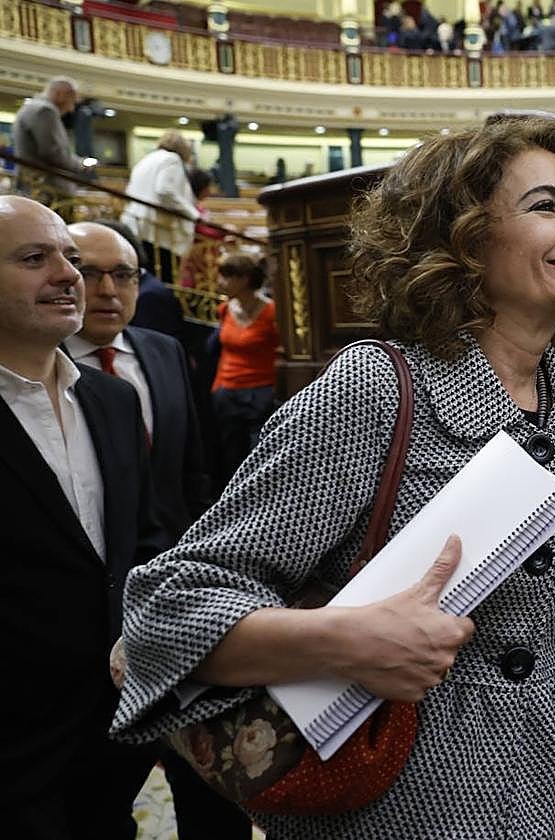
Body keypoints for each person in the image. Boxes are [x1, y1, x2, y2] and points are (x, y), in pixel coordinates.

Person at [110, 115, 555, 838]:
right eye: (547, 206)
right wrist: (347, 640)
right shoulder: (375, 390)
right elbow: (168, 607)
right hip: (383, 809)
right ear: (465, 239)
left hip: (546, 804)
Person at [63, 221, 252, 839]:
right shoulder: (40, 372)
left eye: (125, 274)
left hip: (186, 610)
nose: (109, 289)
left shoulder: (163, 350)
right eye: (90, 272)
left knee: (210, 792)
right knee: (100, 791)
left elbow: (198, 469)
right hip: (92, 629)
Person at [0, 195, 167, 839]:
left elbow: (142, 539)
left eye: (69, 257)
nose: (69, 275)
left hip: (112, 732)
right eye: (34, 258)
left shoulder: (113, 400)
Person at [209, 253, 279, 492]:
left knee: (257, 455)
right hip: (226, 390)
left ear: (244, 279)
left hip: (260, 391)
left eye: (227, 276)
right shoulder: (224, 310)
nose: (220, 282)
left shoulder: (271, 312)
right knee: (230, 457)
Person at [120, 129, 201, 285]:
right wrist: (193, 214)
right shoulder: (172, 159)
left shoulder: (146, 159)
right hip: (154, 227)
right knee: (162, 277)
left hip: (136, 222)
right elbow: (165, 190)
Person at [12, 76, 90, 197]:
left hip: (35, 186)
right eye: (72, 102)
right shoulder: (45, 111)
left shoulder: (33, 107)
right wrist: (81, 164)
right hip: (46, 190)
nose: (71, 109)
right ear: (61, 94)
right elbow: (53, 153)